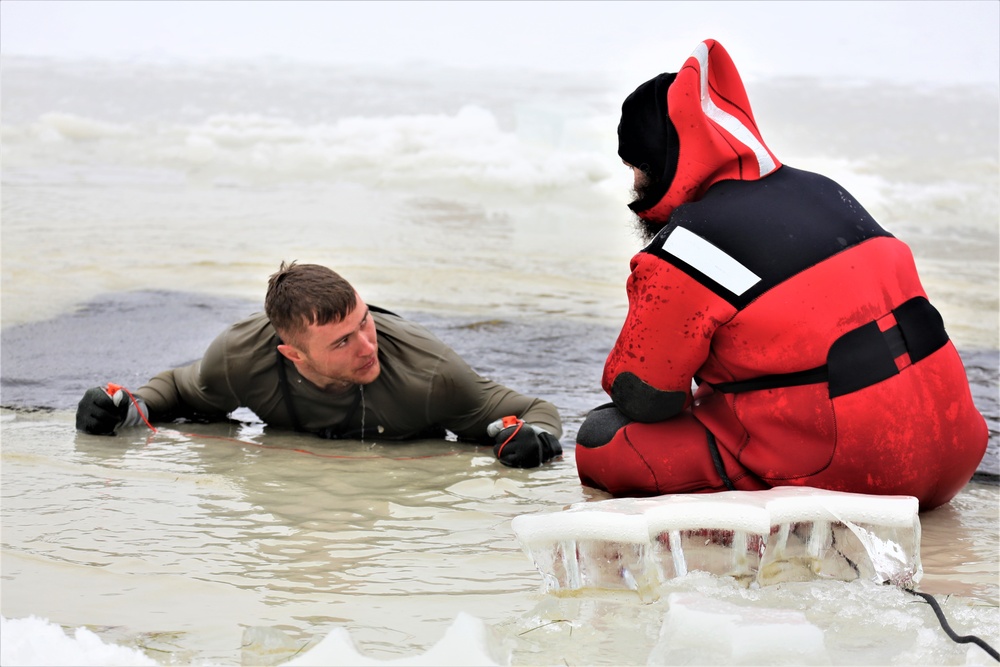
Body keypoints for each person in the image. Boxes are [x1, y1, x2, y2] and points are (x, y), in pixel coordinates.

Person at [575, 39, 987, 510]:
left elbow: (644, 396)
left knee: (602, 438)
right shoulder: (825, 190)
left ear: (665, 162)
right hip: (959, 454)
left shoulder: (686, 245)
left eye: (636, 169)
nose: (633, 189)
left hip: (858, 476)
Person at [76, 261, 563, 468]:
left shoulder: (431, 375)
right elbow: (182, 391)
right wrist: (122, 406)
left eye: (365, 322)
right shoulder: (242, 357)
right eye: (342, 342)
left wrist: (533, 441)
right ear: (292, 354)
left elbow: (536, 409)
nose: (368, 347)